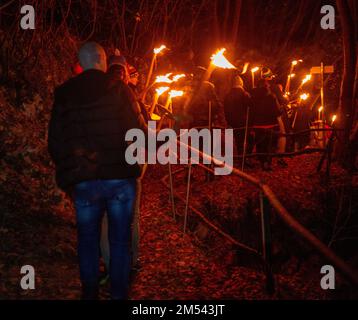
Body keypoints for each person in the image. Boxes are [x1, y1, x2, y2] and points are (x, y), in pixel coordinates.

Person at [48, 42, 147, 300]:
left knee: (88, 240)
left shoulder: (64, 93)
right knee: (119, 240)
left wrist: (69, 174)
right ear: (103, 61)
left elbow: (56, 141)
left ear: (80, 63)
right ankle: (118, 294)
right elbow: (138, 134)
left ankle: (90, 293)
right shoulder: (120, 91)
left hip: (84, 180)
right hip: (119, 178)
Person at [251, 79, 283, 171]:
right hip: (270, 125)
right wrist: (282, 109)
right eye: (268, 85)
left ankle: (262, 162)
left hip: (257, 125)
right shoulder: (271, 97)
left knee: (260, 145)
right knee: (269, 146)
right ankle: (267, 163)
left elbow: (251, 111)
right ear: (266, 86)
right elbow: (277, 112)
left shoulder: (252, 97)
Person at [224, 74, 253, 158]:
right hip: (244, 121)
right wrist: (250, 98)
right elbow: (250, 105)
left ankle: (240, 156)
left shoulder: (228, 95)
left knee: (238, 140)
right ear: (241, 83)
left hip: (232, 121)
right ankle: (247, 156)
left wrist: (228, 120)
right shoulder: (244, 94)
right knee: (250, 139)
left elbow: (226, 109)